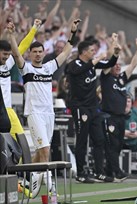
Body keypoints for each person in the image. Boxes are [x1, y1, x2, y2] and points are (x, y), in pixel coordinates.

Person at [7, 19, 81, 193]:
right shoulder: (26, 69)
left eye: (40, 51)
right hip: (34, 114)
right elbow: (17, 55)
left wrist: (72, 32)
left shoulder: (49, 67)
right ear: (30, 54)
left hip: (49, 114)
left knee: (41, 153)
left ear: (44, 52)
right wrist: (11, 36)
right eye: (35, 52)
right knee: (46, 150)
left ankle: (27, 177)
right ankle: (51, 190)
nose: (38, 54)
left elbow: (66, 51)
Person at [65, 35, 119, 183]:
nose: (94, 53)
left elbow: (110, 63)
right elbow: (79, 71)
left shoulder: (92, 64)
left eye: (94, 51)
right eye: (91, 51)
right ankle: (81, 172)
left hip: (93, 107)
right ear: (83, 52)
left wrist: (116, 53)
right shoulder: (73, 64)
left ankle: (98, 172)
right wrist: (96, 60)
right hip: (79, 106)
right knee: (82, 139)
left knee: (99, 139)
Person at [1, 19, 43, 198]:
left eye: (6, 55)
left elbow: (22, 46)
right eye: (3, 55)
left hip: (8, 112)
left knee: (19, 147)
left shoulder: (7, 65)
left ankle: (16, 180)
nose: (5, 58)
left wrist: (33, 29)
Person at [100, 36, 137, 181]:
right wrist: (113, 45)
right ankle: (117, 172)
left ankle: (108, 171)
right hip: (109, 116)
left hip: (120, 117)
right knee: (112, 145)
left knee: (118, 145)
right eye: (115, 65)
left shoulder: (121, 79)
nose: (118, 66)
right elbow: (109, 61)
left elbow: (132, 65)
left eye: (119, 65)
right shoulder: (106, 77)